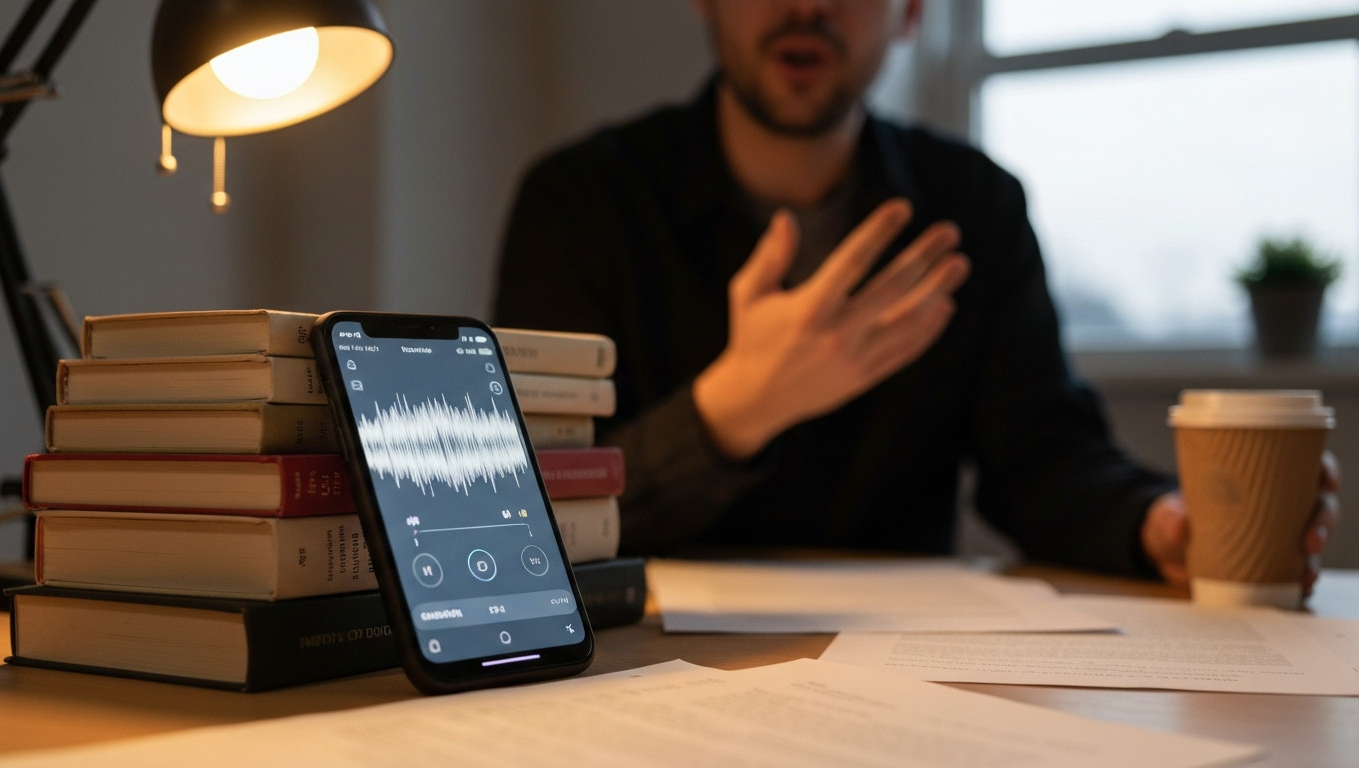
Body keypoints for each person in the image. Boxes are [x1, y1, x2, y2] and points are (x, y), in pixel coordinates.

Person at [494, 0, 1339, 589]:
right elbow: (529, 511)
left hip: (901, 668)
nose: (809, 3)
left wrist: (1158, 524)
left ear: (909, 11)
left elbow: (1041, 457)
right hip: (642, 664)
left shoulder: (973, 204)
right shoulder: (581, 201)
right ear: (704, 0)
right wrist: (730, 411)